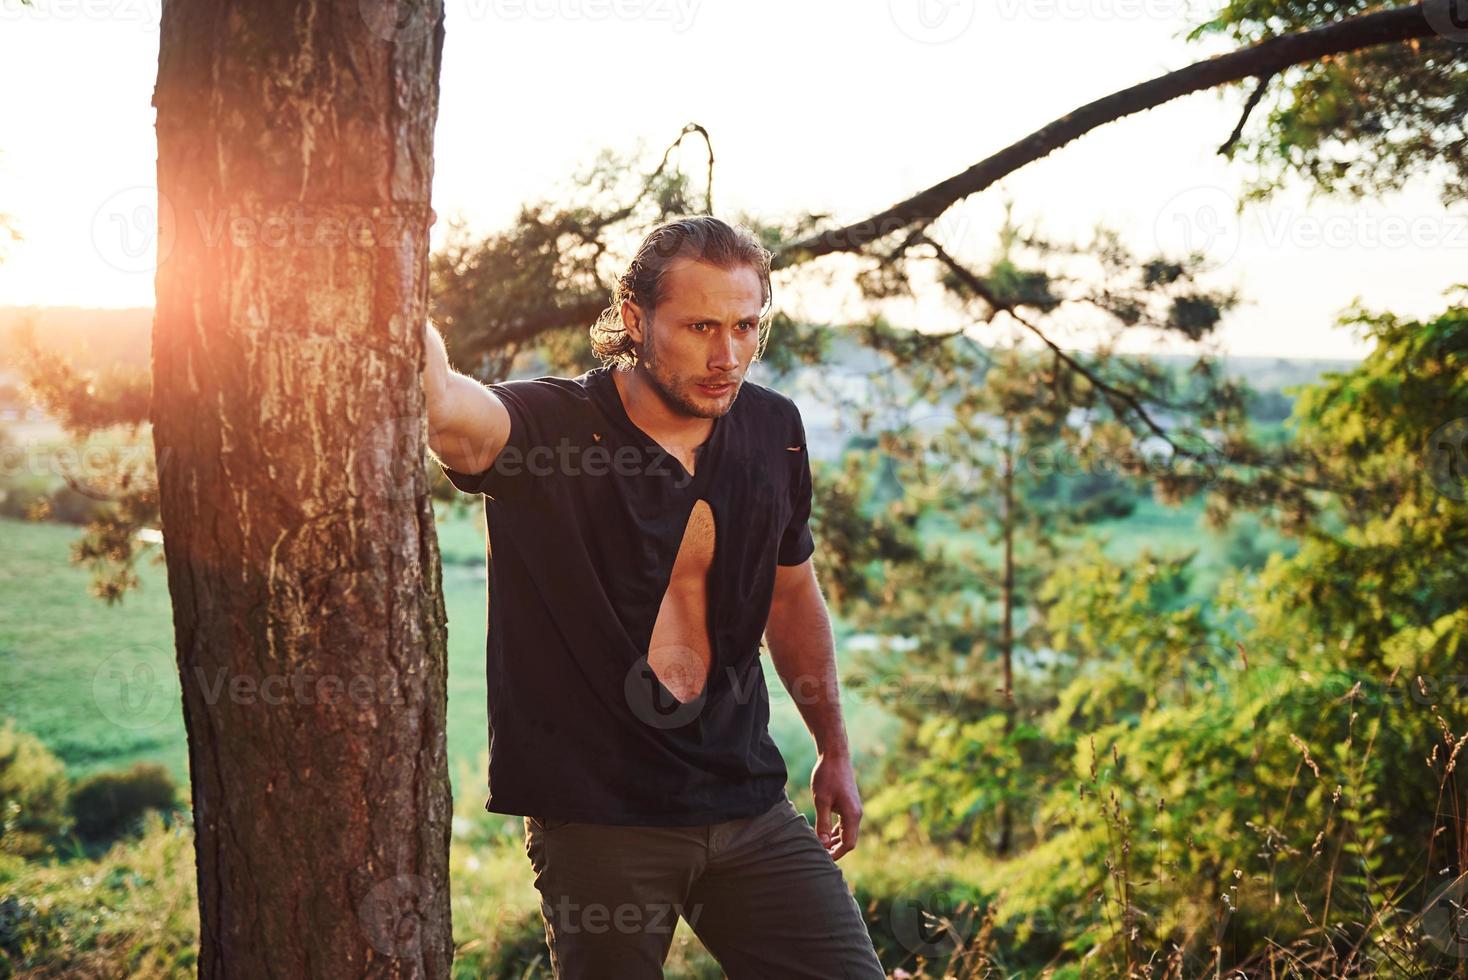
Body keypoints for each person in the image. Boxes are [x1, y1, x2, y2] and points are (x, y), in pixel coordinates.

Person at [421, 215, 885, 979]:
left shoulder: (774, 429)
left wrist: (834, 747)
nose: (727, 355)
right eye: (701, 326)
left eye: (745, 326)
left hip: (746, 801)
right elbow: (444, 408)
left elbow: (792, 595)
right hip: (603, 820)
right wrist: (388, 272)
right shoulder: (553, 427)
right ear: (635, 320)